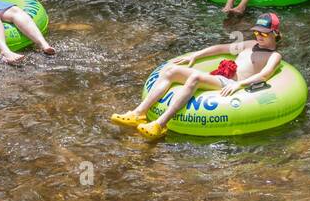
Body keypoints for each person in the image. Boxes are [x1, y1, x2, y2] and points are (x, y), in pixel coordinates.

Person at [110, 13, 285, 140]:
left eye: (263, 33)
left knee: (195, 78)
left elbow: (264, 75)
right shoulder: (250, 44)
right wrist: (197, 55)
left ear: (275, 34)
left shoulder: (274, 56)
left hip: (232, 84)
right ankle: (138, 113)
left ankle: (160, 124)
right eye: (257, 32)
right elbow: (221, 48)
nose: (259, 36)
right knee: (170, 70)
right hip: (222, 78)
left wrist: (239, 85)